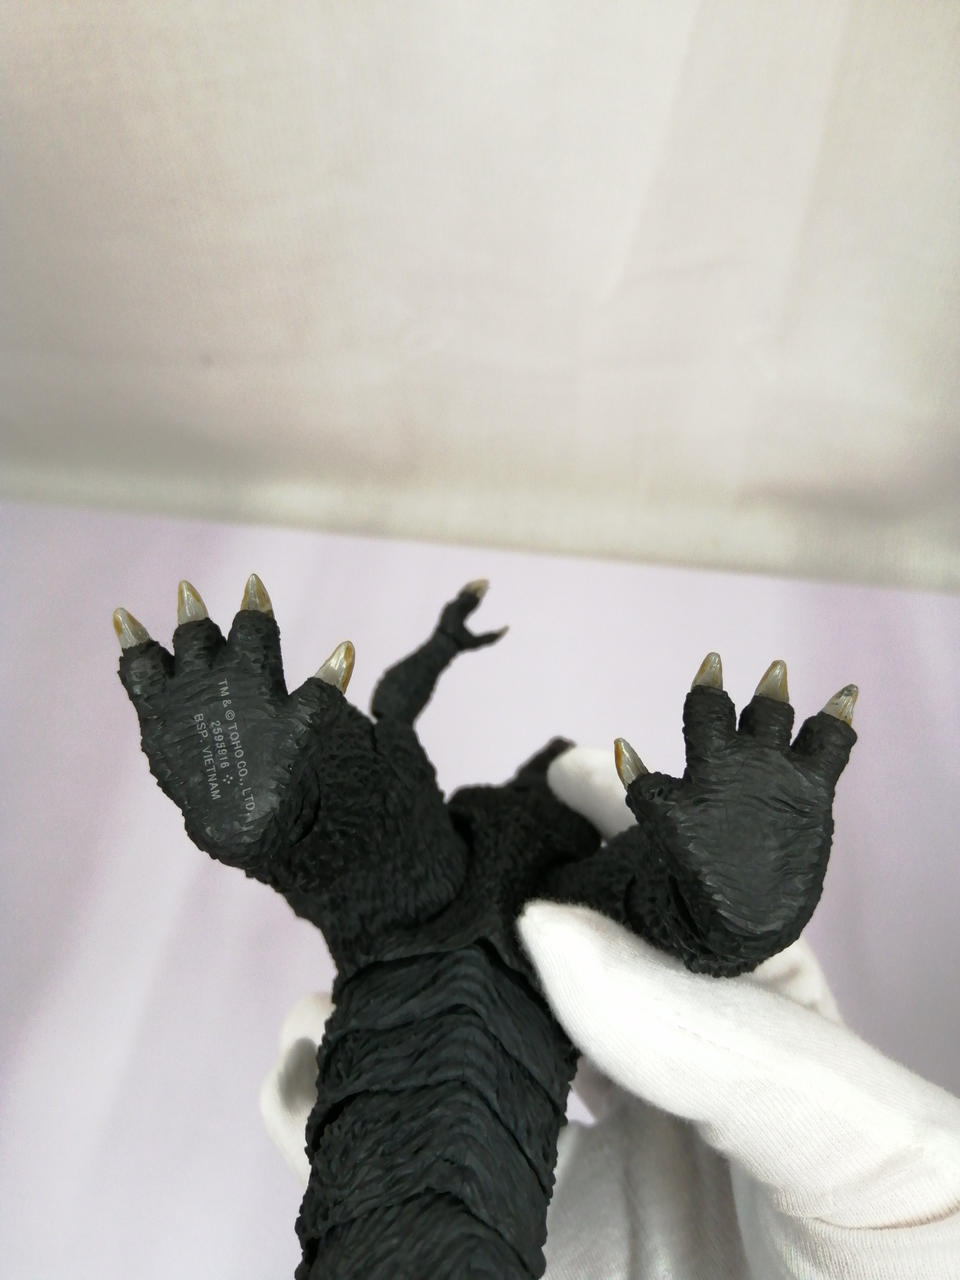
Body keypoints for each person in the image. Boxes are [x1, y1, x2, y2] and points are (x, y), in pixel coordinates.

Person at [263, 745, 960, 1279]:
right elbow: (666, 912)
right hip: (448, 1097)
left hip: (404, 1094)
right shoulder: (558, 896)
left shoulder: (461, 884)